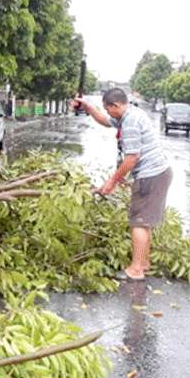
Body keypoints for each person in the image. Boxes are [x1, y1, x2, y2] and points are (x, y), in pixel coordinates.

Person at [72, 88, 172, 280]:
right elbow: (104, 121)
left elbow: (132, 157)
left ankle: (136, 270)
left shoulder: (131, 122)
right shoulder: (129, 115)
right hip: (157, 173)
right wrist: (87, 106)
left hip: (150, 176)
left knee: (139, 223)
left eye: (108, 109)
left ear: (116, 105)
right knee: (144, 221)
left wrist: (112, 181)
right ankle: (143, 263)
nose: (108, 113)